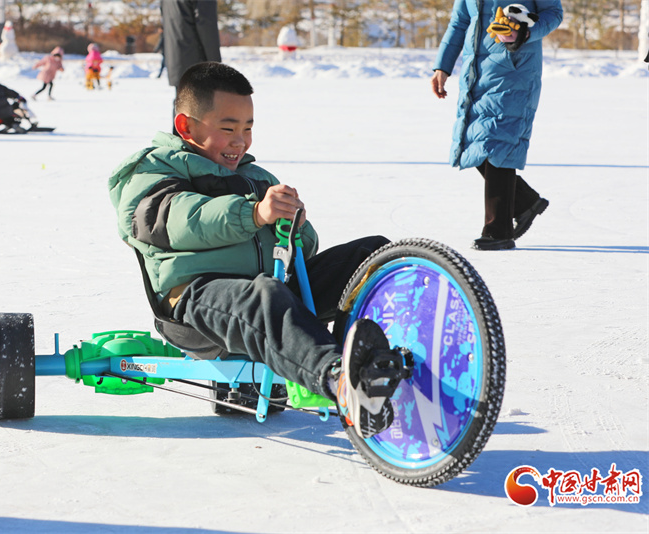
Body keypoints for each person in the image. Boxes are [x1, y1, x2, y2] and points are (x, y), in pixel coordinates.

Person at [108, 62, 405, 439]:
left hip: (271, 292)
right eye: (228, 128)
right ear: (186, 127)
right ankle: (339, 378)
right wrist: (253, 213)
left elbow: (304, 251)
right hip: (197, 302)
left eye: (247, 128)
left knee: (370, 255)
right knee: (265, 296)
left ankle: (395, 350)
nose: (241, 141)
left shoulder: (256, 177)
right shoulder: (151, 173)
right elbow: (180, 220)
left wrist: (296, 226)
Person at [431, 1, 563, 251]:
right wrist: (442, 66)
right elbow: (460, 22)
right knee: (473, 140)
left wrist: (525, 32)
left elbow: (554, 14)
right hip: (477, 73)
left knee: (497, 141)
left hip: (515, 68)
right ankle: (524, 202)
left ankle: (498, 231)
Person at [160, 0, 221, 131]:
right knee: (199, 107)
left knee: (183, 105)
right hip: (196, 58)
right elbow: (206, 23)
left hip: (176, 55)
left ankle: (179, 139)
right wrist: (215, 63)